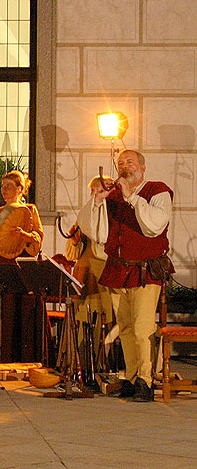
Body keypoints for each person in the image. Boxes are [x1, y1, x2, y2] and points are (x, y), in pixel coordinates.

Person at [77, 150, 173, 402]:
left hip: (145, 270)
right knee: (127, 328)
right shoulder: (114, 196)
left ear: (142, 167)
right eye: (120, 163)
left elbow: (154, 226)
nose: (124, 167)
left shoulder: (157, 191)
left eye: (130, 162)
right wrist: (98, 200)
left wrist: (131, 197)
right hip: (119, 269)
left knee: (142, 328)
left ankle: (146, 381)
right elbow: (93, 230)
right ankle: (131, 378)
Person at [0, 170, 44, 367]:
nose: (4, 190)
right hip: (2, 264)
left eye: (9, 186)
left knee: (22, 312)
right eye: (3, 186)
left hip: (22, 265)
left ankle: (24, 361)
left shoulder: (30, 210)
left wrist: (24, 235)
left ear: (20, 189)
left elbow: (37, 239)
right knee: (2, 311)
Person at [65, 176, 114, 371]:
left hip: (104, 273)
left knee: (104, 317)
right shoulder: (85, 215)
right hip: (84, 271)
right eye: (92, 191)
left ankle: (102, 363)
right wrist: (74, 241)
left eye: (99, 190)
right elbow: (71, 252)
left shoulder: (113, 214)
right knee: (81, 318)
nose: (95, 194)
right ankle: (79, 363)